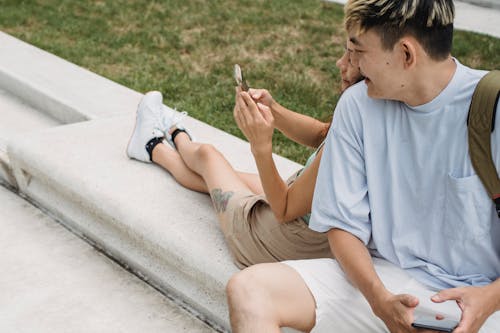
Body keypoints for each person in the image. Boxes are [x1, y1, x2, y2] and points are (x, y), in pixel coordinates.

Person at [226, 1, 500, 332]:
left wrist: (487, 300)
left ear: (406, 54)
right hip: (384, 279)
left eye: (358, 51)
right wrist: (379, 300)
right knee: (249, 289)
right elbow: (344, 227)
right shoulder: (357, 106)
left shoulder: (492, 107)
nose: (349, 63)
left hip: (481, 299)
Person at [126, 45, 363, 268]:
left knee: (208, 157)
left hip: (282, 241)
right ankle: (166, 135)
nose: (340, 63)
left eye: (351, 55)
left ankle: (160, 142)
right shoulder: (370, 110)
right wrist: (273, 109)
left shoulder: (349, 133)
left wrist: (260, 145)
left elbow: (285, 209)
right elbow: (322, 133)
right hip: (307, 218)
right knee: (223, 176)